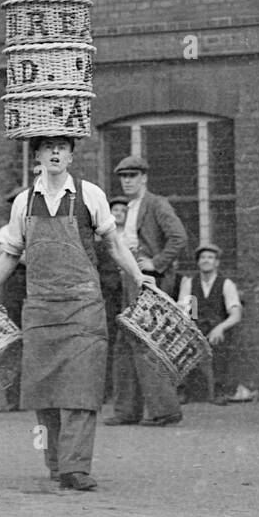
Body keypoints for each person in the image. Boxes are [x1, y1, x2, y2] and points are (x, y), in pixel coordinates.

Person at [0, 135, 152, 491]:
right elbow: (9, 254)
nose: (55, 152)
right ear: (36, 155)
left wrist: (138, 275)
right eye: (48, 146)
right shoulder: (24, 202)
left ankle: (76, 468)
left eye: (62, 147)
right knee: (45, 389)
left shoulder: (91, 195)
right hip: (40, 307)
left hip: (84, 306)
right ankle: (56, 463)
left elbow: (114, 244)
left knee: (82, 387)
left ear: (71, 155)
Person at [105, 154, 187, 428]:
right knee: (125, 342)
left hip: (148, 281)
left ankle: (164, 410)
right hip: (130, 280)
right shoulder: (129, 207)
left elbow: (179, 237)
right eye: (123, 177)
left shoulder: (156, 204)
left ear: (144, 178)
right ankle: (126, 410)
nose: (127, 182)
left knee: (148, 342)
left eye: (132, 176)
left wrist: (157, 263)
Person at [178, 242, 242, 402]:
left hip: (217, 327)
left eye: (210, 257)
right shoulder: (190, 283)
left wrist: (220, 328)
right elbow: (185, 312)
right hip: (196, 327)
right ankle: (183, 390)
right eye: (203, 257)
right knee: (182, 343)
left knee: (220, 344)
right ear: (198, 262)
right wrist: (189, 330)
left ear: (216, 262)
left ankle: (220, 390)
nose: (206, 260)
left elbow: (235, 314)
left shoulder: (226, 284)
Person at [0, 185, 27, 412]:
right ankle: (13, 397)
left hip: (38, 290)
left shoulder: (41, 229)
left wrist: (16, 255)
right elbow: (0, 259)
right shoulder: (5, 231)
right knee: (13, 342)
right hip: (14, 290)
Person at [95, 197, 127, 401]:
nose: (119, 213)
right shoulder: (103, 238)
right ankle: (106, 390)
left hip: (127, 292)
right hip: (110, 294)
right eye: (115, 209)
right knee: (108, 339)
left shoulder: (132, 235)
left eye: (123, 210)